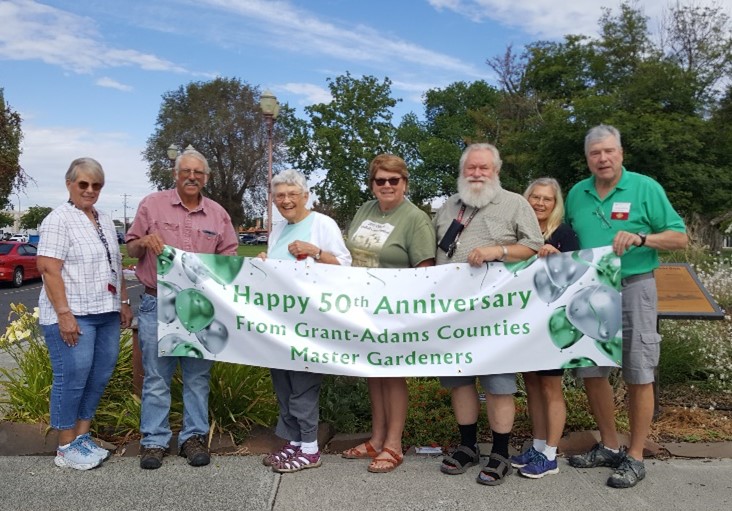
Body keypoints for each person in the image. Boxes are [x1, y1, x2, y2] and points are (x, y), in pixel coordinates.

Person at [565, 124, 688, 488]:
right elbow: (567, 237)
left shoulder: (644, 187)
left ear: (621, 153)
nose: (602, 158)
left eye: (608, 151)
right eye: (594, 153)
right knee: (592, 370)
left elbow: (680, 236)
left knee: (638, 370)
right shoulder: (577, 193)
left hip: (634, 286)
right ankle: (609, 444)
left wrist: (642, 237)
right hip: (591, 289)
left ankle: (634, 455)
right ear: (587, 158)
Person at [434, 143, 543, 485]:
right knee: (460, 382)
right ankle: (468, 447)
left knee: (498, 385)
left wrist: (499, 250)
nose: (477, 174)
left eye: (484, 168)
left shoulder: (514, 203)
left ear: (496, 171)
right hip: (453, 313)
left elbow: (535, 246)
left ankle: (500, 453)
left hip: (497, 314)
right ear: (462, 171)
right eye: (471, 168)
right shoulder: (447, 206)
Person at [126, 148, 238, 470]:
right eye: (186, 171)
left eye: (198, 173)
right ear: (175, 175)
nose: (192, 177)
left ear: (206, 178)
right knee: (157, 377)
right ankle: (154, 440)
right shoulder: (152, 204)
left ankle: (193, 437)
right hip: (156, 300)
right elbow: (131, 247)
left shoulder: (218, 215)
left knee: (197, 378)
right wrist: (145, 241)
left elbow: (229, 259)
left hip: (200, 308)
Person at [37, 157, 133, 470]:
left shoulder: (103, 219)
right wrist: (64, 314)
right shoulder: (58, 219)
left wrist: (123, 302)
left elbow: (114, 262)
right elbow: (49, 269)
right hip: (74, 315)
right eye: (84, 184)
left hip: (105, 312)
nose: (90, 190)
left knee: (99, 375)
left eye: (96, 185)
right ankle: (65, 447)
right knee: (73, 378)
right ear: (70, 184)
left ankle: (81, 437)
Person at [342, 154, 436, 473]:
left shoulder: (415, 218)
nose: (386, 185)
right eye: (380, 180)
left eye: (393, 180)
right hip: (364, 308)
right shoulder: (365, 210)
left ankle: (394, 444)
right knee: (373, 372)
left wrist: (410, 313)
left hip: (396, 309)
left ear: (404, 183)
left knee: (392, 373)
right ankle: (376, 438)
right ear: (372, 184)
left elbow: (425, 271)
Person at [257, 169, 352, 473]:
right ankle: (294, 442)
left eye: (291, 194)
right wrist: (264, 263)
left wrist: (316, 251)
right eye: (280, 195)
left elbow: (345, 266)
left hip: (309, 322)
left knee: (303, 384)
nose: (285, 201)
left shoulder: (322, 224)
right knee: (283, 383)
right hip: (279, 322)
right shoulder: (279, 230)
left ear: (305, 196)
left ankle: (310, 448)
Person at [509, 177, 579, 479]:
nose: (539, 203)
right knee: (533, 386)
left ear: (555, 204)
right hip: (523, 322)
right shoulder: (518, 233)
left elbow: (578, 274)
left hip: (551, 323)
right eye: (534, 197)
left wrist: (558, 257)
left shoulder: (564, 234)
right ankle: (537, 446)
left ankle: (550, 454)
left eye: (546, 199)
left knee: (551, 387)